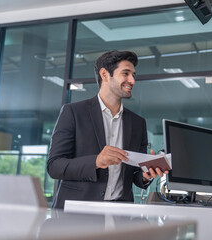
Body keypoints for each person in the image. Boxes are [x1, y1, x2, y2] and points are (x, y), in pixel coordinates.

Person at [47, 50, 166, 209]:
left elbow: (135, 176)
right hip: (77, 211)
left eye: (133, 75)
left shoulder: (138, 123)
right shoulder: (74, 112)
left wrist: (146, 176)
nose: (132, 80)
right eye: (125, 73)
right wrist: (96, 161)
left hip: (120, 213)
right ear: (104, 74)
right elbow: (54, 166)